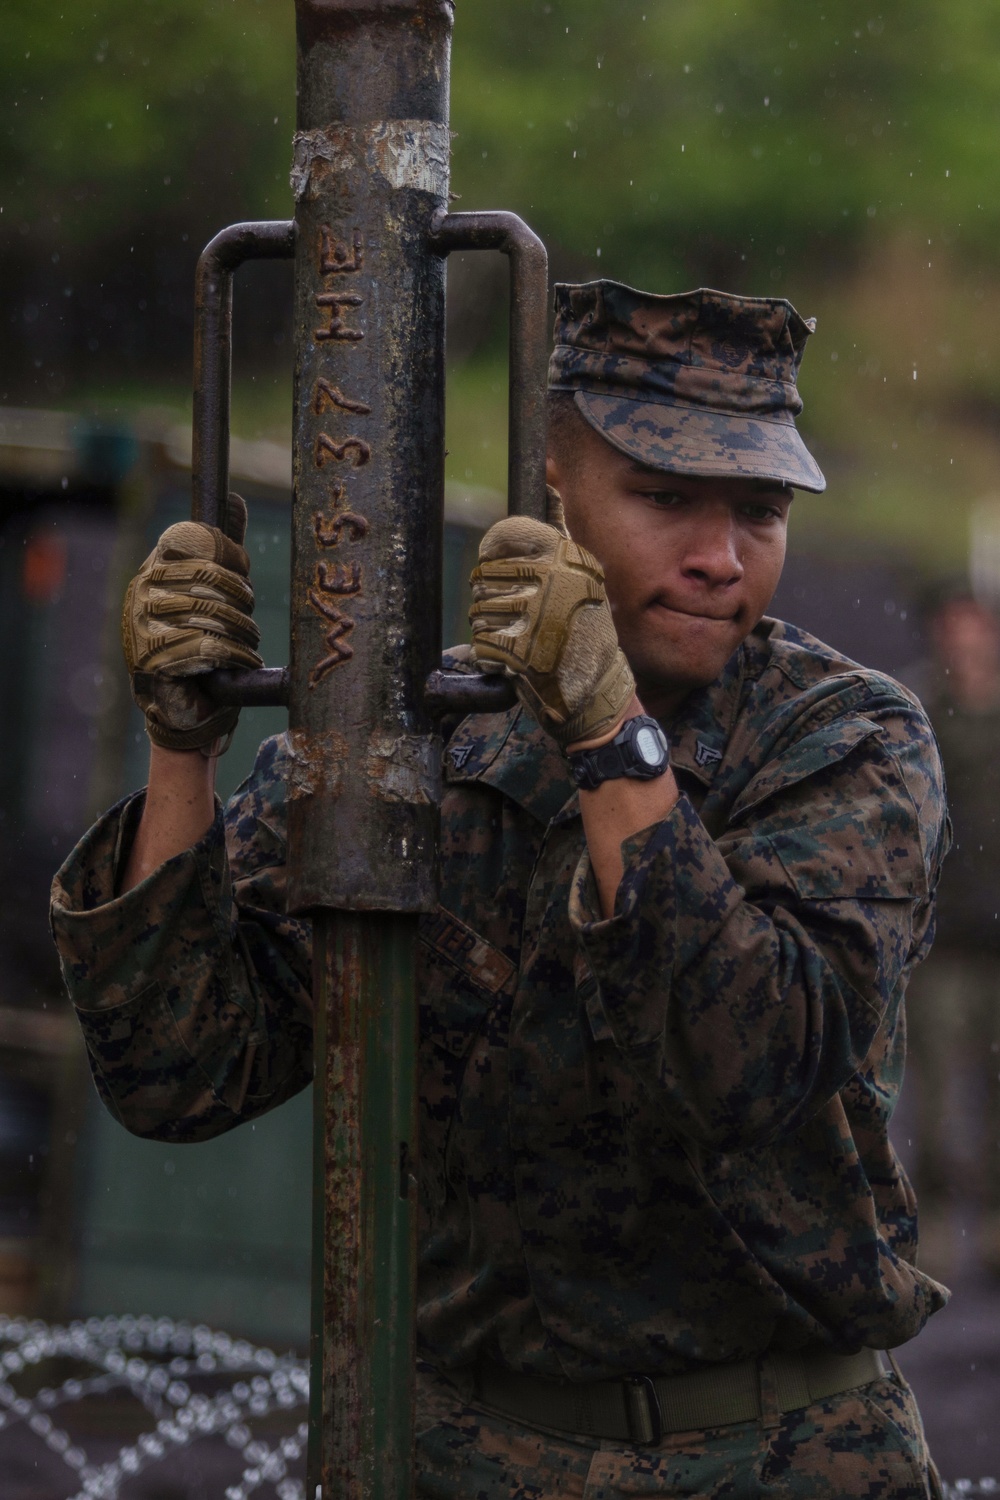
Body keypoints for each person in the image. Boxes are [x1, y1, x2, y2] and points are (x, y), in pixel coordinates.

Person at [51, 282, 949, 1497]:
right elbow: (180, 1072)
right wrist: (180, 749)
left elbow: (752, 1071)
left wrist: (607, 737)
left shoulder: (840, 740)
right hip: (465, 1449)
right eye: (665, 498)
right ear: (551, 497)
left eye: (760, 511)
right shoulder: (427, 734)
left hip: (774, 1448)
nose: (719, 558)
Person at [903, 589, 1000, 1280]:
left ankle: (994, 1224)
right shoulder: (917, 713)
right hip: (942, 942)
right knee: (933, 1100)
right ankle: (934, 1222)